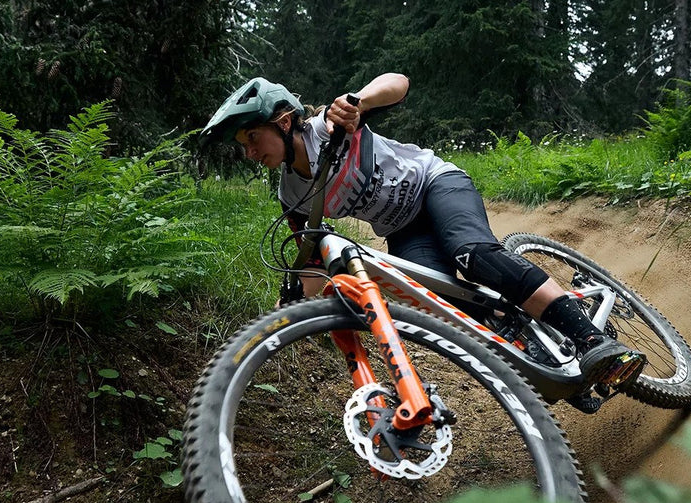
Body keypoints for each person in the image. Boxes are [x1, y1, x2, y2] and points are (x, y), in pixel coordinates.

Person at [199, 74, 645, 387]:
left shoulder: (330, 125)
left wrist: (360, 101)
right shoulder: (290, 194)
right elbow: (310, 260)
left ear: (281, 122)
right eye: (242, 146)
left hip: (435, 184)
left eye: (251, 138)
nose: (248, 153)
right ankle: (546, 354)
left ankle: (592, 338)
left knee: (470, 252)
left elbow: (399, 82)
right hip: (404, 230)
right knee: (442, 304)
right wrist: (288, 313)